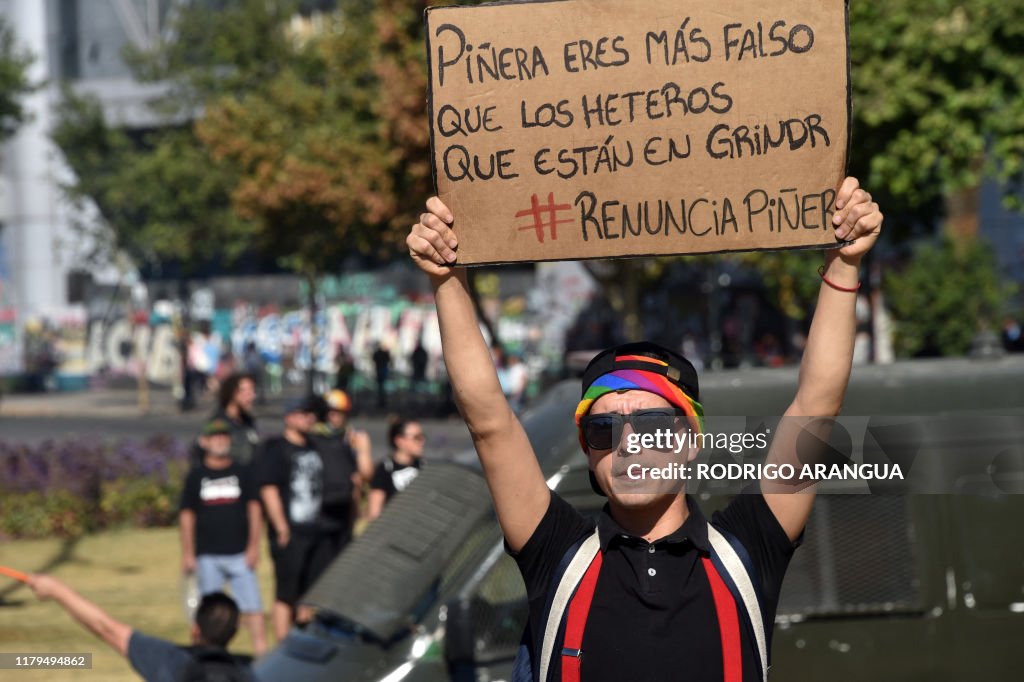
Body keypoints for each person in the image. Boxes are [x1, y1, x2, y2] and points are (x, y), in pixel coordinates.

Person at [407, 178, 883, 681]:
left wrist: (844, 263)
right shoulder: (557, 554)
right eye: (604, 429)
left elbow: (816, 406)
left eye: (653, 423)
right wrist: (447, 279)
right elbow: (490, 423)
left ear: (690, 439)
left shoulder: (748, 547)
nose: (630, 442)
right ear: (588, 452)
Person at [27, 576, 254, 682]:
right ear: (234, 633)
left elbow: (106, 628)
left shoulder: (170, 662)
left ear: (195, 630)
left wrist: (56, 590)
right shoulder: (252, 671)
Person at [180, 418, 267, 656]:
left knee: (253, 608)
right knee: (208, 612)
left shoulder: (242, 471)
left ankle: (261, 655)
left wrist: (253, 546)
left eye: (224, 436)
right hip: (207, 555)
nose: (220, 441)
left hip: (239, 553)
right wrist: (188, 553)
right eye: (215, 437)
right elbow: (187, 515)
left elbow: (254, 509)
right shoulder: (196, 476)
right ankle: (204, 656)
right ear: (204, 442)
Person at [254, 396, 332, 641]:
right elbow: (269, 489)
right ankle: (282, 643)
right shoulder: (277, 449)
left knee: (310, 593)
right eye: (302, 413)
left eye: (311, 414)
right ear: (288, 417)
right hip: (291, 532)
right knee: (286, 594)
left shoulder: (314, 446)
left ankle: (303, 639)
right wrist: (281, 527)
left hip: (314, 529)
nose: (309, 418)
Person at [310, 389, 374, 557]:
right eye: (331, 413)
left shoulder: (353, 437)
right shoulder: (314, 437)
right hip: (320, 506)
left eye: (339, 413)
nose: (335, 418)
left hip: (348, 505)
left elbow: (366, 473)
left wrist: (362, 450)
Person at [367, 418, 426, 521]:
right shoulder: (385, 469)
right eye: (417, 437)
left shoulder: (424, 467)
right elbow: (374, 512)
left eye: (422, 437)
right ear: (399, 441)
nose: (422, 441)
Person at [208, 373, 260, 466]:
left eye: (253, 391)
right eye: (247, 391)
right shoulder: (218, 423)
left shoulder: (248, 421)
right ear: (233, 393)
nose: (253, 396)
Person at [372, 342, 391, 408]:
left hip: (381, 371)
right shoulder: (383, 353)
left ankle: (382, 401)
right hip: (381, 371)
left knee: (382, 387)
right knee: (381, 387)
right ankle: (382, 401)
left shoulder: (379, 353)